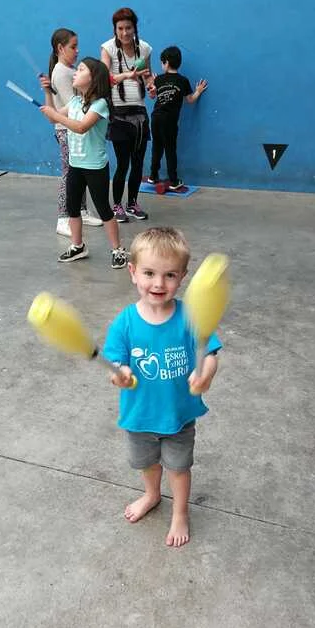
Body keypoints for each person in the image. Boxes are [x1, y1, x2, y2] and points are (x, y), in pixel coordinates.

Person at [103, 227, 221, 546]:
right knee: (147, 463)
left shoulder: (190, 316)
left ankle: (180, 512)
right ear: (132, 272)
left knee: (179, 469)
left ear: (182, 276)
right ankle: (152, 494)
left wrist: (206, 374)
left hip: (178, 416)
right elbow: (115, 363)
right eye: (149, 273)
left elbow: (210, 353)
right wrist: (120, 374)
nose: (158, 283)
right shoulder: (125, 322)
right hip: (140, 416)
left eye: (169, 275)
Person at [40, 57, 128, 269]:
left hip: (95, 166)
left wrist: (55, 115)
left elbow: (81, 127)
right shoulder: (74, 102)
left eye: (80, 70)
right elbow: (52, 118)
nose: (75, 73)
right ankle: (78, 246)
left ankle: (117, 249)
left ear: (93, 78)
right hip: (75, 164)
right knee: (72, 207)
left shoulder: (100, 104)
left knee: (104, 209)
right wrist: (47, 93)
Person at [40, 28, 103, 237]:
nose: (77, 51)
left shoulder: (69, 70)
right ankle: (63, 217)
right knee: (69, 174)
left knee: (79, 172)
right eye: (73, 47)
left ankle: (81, 211)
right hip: (67, 130)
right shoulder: (61, 72)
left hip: (73, 129)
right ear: (60, 48)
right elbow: (74, 106)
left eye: (77, 46)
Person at [100, 7, 154, 223]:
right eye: (120, 28)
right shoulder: (108, 48)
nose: (124, 33)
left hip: (139, 113)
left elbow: (147, 75)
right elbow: (104, 78)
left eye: (128, 28)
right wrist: (127, 75)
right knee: (123, 163)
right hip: (118, 114)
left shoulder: (144, 48)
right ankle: (117, 205)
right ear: (115, 29)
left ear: (135, 28)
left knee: (138, 163)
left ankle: (132, 203)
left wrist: (151, 86)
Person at [147, 46, 208, 190]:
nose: (162, 66)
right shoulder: (183, 81)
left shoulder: (159, 79)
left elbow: (152, 96)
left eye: (162, 63)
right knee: (170, 149)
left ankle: (153, 176)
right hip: (169, 121)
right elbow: (190, 100)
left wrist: (153, 86)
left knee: (157, 147)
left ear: (166, 63)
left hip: (156, 118)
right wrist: (198, 91)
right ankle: (173, 181)